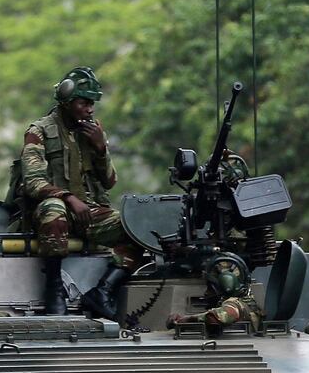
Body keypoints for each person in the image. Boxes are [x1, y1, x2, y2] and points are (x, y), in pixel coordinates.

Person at [19, 66, 144, 319]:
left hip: (89, 212)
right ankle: (54, 290)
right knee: (53, 209)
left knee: (136, 227)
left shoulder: (93, 132)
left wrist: (100, 148)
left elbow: (109, 182)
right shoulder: (39, 131)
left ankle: (103, 291)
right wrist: (68, 197)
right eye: (84, 102)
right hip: (53, 212)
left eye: (92, 103)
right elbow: (32, 182)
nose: (90, 109)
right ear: (66, 101)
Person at [166, 269, 263, 332]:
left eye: (211, 289)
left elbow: (216, 317)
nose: (207, 293)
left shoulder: (235, 304)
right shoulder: (247, 302)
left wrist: (185, 319)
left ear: (223, 289)